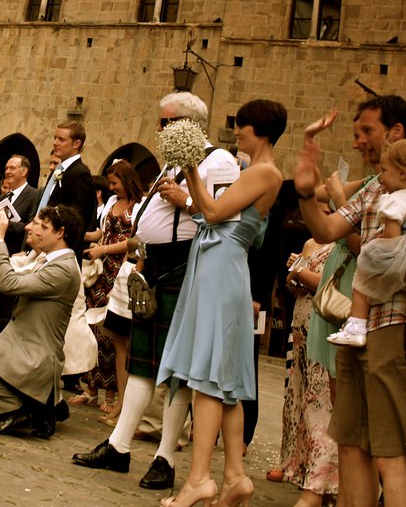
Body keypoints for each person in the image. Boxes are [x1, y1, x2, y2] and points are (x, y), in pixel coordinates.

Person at [292, 99, 406, 507]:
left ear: (396, 131)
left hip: (401, 325)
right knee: (352, 443)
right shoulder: (375, 183)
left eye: (366, 131)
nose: (358, 143)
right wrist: (304, 193)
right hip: (359, 329)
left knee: (394, 452)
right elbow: (328, 228)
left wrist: (378, 254)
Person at [73, 91, 239, 492]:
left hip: (185, 267)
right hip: (153, 267)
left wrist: (185, 200)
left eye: (164, 123)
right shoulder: (171, 161)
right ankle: (119, 446)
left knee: (177, 369)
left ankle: (164, 457)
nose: (159, 129)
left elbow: (225, 215)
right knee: (145, 364)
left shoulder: (219, 161)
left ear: (187, 124)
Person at [157, 98, 288, 507]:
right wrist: (191, 166)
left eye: (243, 126)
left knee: (208, 374)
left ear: (260, 131)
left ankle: (198, 479)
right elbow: (205, 208)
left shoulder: (265, 171)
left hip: (221, 267)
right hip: (220, 264)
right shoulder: (252, 171)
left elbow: (212, 214)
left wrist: (192, 164)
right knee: (224, 378)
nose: (237, 132)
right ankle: (234, 476)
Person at [0, 203, 84, 438]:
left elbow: (7, 284)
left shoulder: (63, 269)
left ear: (60, 233)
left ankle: (11, 409)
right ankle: (7, 403)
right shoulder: (50, 260)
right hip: (18, 346)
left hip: (33, 358)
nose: (31, 228)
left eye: (42, 226)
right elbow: (0, 279)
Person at [327, 136, 406, 347]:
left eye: (385, 171)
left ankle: (356, 326)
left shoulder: (394, 200)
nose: (381, 178)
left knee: (362, 277)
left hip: (400, 258)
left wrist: (377, 245)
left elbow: (392, 239)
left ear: (402, 172)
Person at [273, 239, 339, 505]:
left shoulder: (344, 243)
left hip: (325, 323)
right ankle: (301, 468)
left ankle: (321, 480)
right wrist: (295, 275)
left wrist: (301, 271)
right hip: (301, 324)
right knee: (299, 399)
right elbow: (293, 286)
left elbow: (328, 283)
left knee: (320, 402)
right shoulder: (311, 243)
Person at [77, 159, 145, 416]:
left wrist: (103, 248)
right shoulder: (111, 205)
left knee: (112, 335)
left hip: (120, 271)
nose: (113, 188)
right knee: (93, 330)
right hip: (101, 271)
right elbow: (104, 232)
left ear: (127, 181)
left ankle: (112, 392)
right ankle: (91, 387)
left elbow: (133, 241)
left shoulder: (138, 207)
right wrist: (87, 235)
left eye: (115, 183)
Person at [0, 155, 42, 336]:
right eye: (6, 168)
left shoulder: (34, 195)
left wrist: (3, 223)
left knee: (4, 308)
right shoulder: (2, 198)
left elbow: (30, 226)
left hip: (14, 257)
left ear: (24, 171)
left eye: (12, 168)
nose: (7, 172)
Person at [41, 120, 97, 233]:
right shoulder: (58, 170)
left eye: (61, 139)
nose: (55, 143)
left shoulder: (80, 174)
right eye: (55, 138)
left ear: (76, 144)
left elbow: (77, 218)